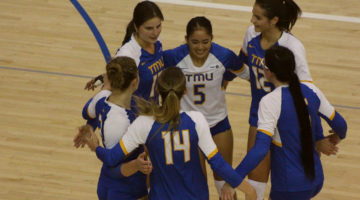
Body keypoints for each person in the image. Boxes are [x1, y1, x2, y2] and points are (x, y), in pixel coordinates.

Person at [76, 67, 257, 200]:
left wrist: (96, 147)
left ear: (159, 91)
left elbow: (111, 159)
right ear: (185, 90)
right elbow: (217, 164)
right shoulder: (196, 119)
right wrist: (247, 189)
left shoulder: (144, 123)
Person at [238, 0, 347, 198]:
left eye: (258, 17)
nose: (252, 20)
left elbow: (308, 95)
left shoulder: (293, 47)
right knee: (255, 182)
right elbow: (242, 62)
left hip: (287, 121)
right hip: (259, 115)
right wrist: (224, 80)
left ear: (274, 20)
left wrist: (317, 138)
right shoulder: (251, 34)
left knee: (290, 182)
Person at [163, 16, 249, 197]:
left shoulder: (224, 56)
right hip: (188, 129)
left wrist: (227, 78)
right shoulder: (173, 57)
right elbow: (148, 69)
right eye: (194, 42)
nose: (200, 47)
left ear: (212, 38)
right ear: (186, 39)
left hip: (218, 125)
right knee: (197, 187)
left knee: (225, 185)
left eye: (205, 41)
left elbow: (249, 74)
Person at [75, 56, 152, 200]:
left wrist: (88, 127)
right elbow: (113, 168)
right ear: (135, 82)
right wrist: (95, 147)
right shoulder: (119, 121)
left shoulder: (102, 97)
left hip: (111, 185)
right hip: (125, 189)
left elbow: (87, 112)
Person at [86, 1, 165, 101]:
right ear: (136, 27)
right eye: (149, 28)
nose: (155, 32)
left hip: (153, 111)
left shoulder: (156, 40)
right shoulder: (128, 54)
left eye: (158, 26)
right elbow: (110, 93)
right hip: (134, 114)